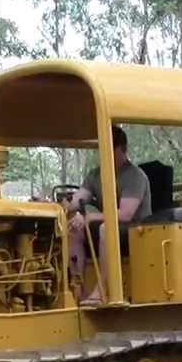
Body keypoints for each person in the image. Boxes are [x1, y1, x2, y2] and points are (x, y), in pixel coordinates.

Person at [66, 126, 152, 304]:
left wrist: (90, 217)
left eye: (111, 148)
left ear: (122, 149)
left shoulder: (135, 176)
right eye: (103, 148)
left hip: (137, 231)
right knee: (73, 229)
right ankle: (77, 288)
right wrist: (59, 206)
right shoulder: (96, 174)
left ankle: (102, 290)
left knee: (107, 229)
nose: (106, 153)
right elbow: (77, 200)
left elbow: (126, 214)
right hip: (114, 224)